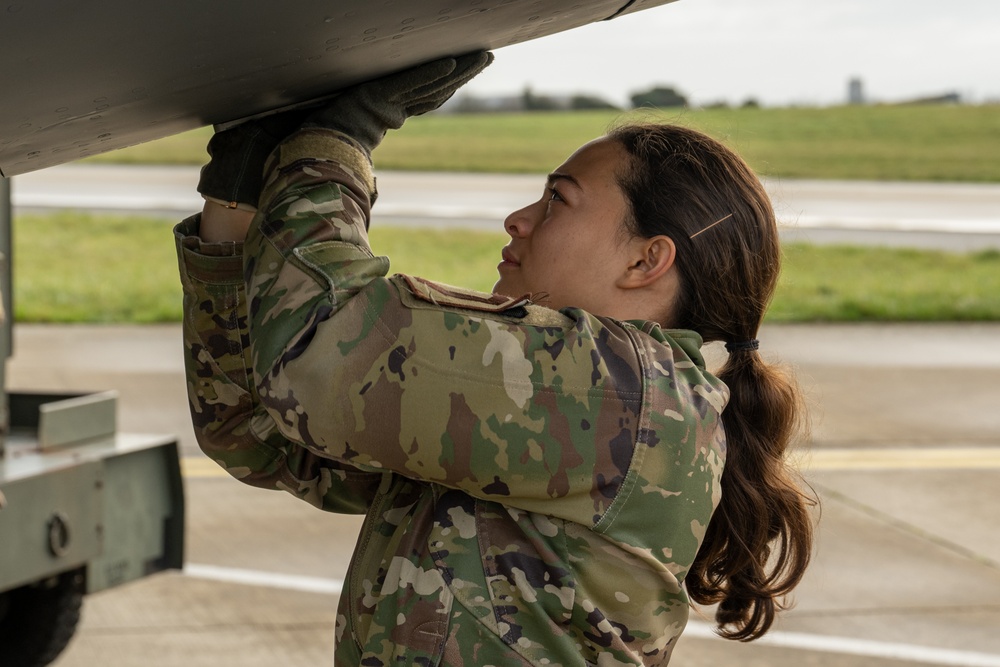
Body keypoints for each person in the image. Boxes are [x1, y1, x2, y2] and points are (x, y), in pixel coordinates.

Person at [175, 51, 815, 666]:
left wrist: (336, 144)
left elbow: (321, 355)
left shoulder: (622, 391)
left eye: (556, 201)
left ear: (646, 260)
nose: (518, 220)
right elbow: (263, 432)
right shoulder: (582, 392)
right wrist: (235, 206)